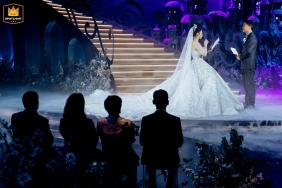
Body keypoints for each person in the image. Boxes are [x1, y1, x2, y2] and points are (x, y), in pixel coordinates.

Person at [87, 24, 243, 120]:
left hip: (199, 65)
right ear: (197, 34)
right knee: (203, 84)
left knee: (207, 83)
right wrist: (208, 45)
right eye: (201, 33)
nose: (203, 35)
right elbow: (203, 54)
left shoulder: (195, 42)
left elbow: (203, 53)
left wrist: (207, 47)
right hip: (198, 65)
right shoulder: (196, 42)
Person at [140, 89, 183, 188]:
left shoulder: (146, 120)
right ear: (167, 102)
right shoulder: (175, 120)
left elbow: (143, 142)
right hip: (170, 158)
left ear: (153, 102)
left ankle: (152, 184)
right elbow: (179, 142)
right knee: (172, 163)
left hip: (151, 158)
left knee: (150, 162)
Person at [11, 91, 54, 187]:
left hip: (20, 153)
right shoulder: (42, 121)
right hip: (38, 156)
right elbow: (49, 140)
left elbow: (16, 135)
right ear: (36, 103)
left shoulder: (15, 117)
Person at [97, 95, 139, 187]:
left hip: (107, 155)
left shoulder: (100, 122)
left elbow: (100, 135)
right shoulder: (127, 122)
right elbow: (131, 140)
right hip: (124, 157)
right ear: (119, 107)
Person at [59, 93, 100, 187]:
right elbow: (94, 140)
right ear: (82, 106)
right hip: (86, 155)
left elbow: (66, 136)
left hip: (69, 154)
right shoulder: (88, 122)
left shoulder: (63, 122)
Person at [236, 20, 258, 108]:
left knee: (249, 84)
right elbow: (245, 49)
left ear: (249, 26)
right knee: (246, 84)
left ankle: (250, 103)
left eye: (244, 25)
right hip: (245, 64)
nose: (242, 27)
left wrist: (241, 57)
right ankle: (248, 102)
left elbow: (249, 51)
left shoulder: (252, 37)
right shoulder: (247, 37)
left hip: (249, 64)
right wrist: (239, 55)